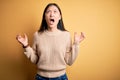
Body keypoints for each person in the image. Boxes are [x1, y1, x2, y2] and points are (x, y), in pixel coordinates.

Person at [16, 3, 85, 80]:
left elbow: (69, 61)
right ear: (44, 17)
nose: (51, 14)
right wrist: (26, 46)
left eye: (55, 11)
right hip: (40, 78)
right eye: (48, 11)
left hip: (61, 77)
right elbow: (35, 60)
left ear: (59, 17)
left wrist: (76, 44)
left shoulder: (66, 35)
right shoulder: (37, 35)